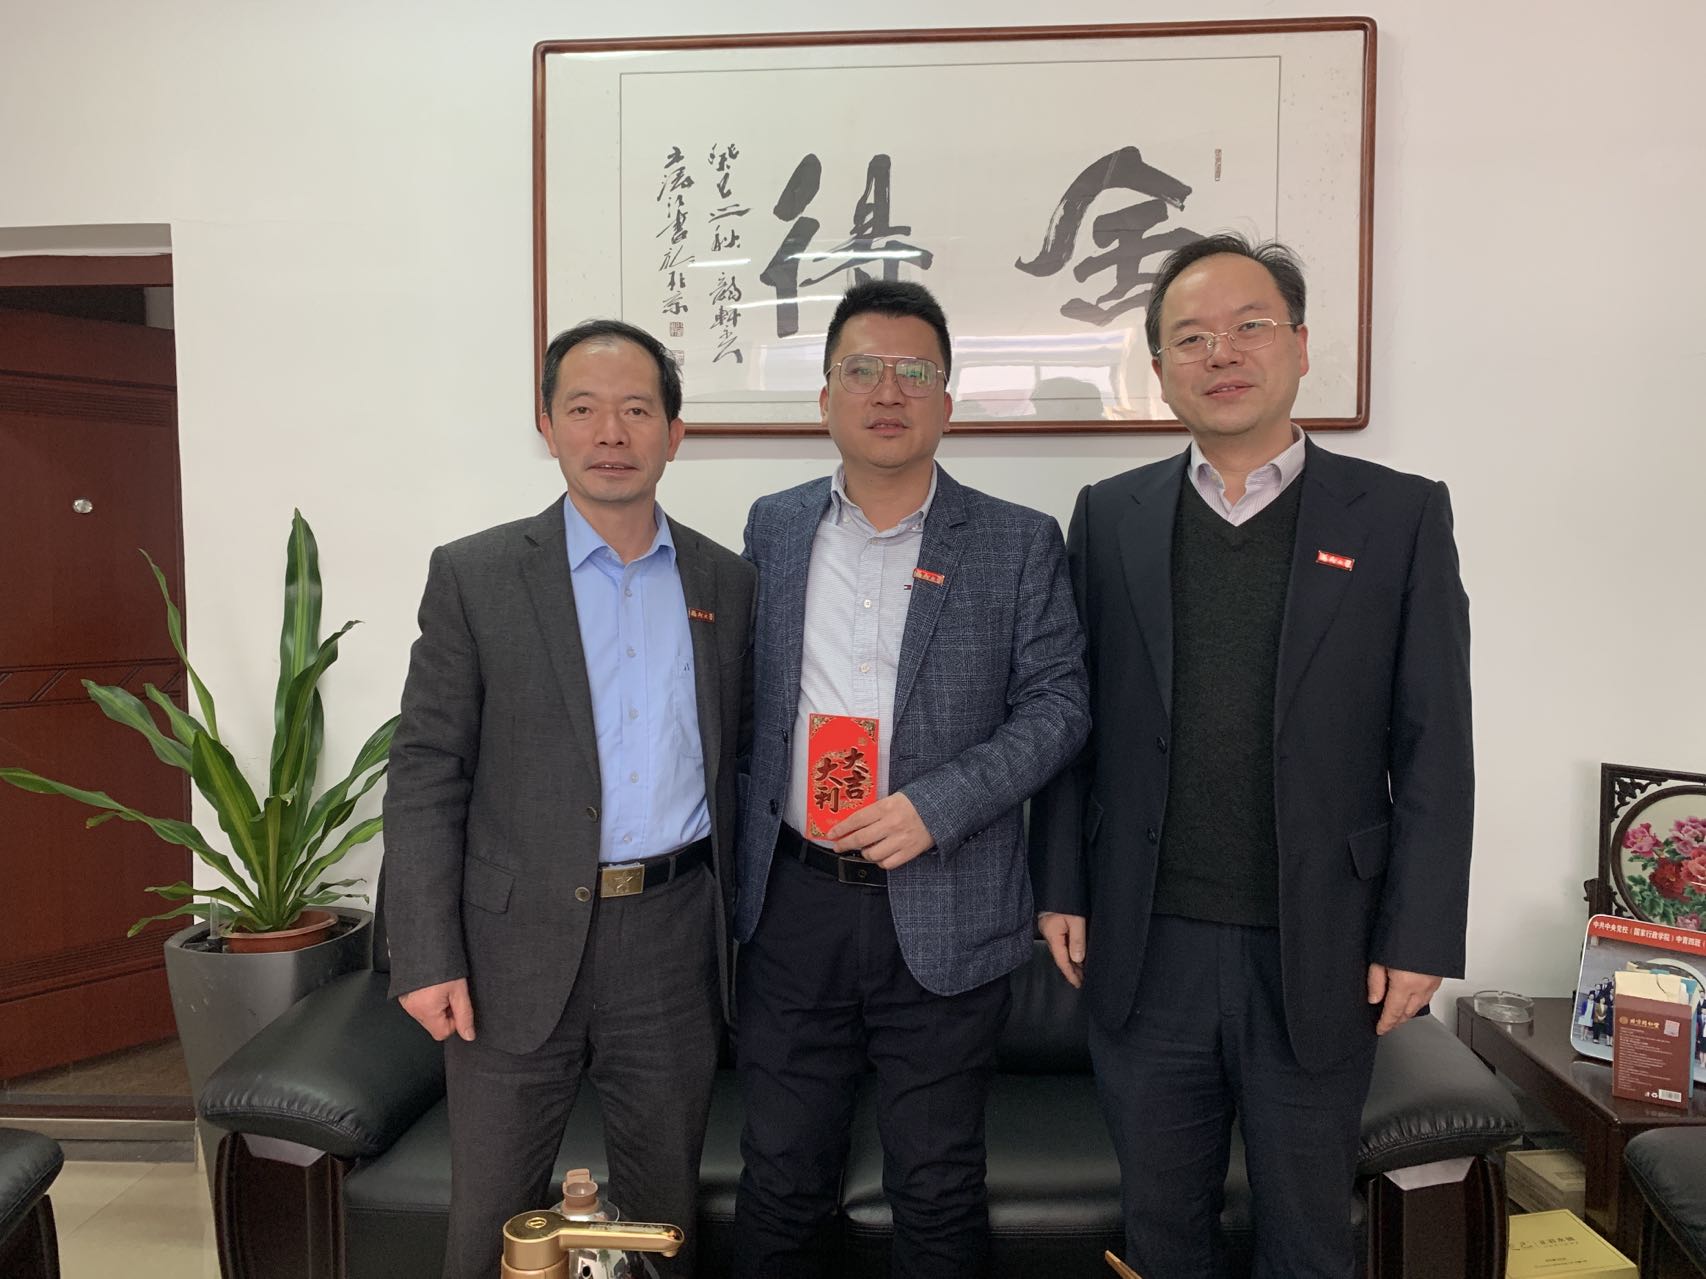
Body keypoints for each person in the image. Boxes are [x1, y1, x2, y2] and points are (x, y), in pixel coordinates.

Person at [1029, 233, 1474, 1278]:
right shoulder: (1109, 515)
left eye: (1249, 326)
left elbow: (1435, 742)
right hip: (1148, 944)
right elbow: (1070, 720)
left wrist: (1418, 932)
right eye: (1190, 337)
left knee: (1308, 1239)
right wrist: (1060, 885)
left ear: (1300, 347)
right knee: (1160, 1232)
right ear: (1159, 368)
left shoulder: (1399, 514)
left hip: (1319, 945)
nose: (1220, 353)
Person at [382, 319, 755, 1279]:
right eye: (583, 409)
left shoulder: (726, 580)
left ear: (675, 432)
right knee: (494, 1217)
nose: (610, 432)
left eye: (637, 410)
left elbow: (745, 759)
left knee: (661, 1220)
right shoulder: (476, 575)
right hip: (509, 948)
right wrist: (424, 952)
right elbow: (425, 768)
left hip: (671, 939)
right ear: (547, 426)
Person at [732, 279, 1089, 1278]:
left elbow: (1060, 705)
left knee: (935, 1184)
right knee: (780, 1177)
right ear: (824, 398)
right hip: (792, 899)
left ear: (947, 400)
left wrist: (939, 805)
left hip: (947, 899)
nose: (887, 391)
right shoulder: (774, 527)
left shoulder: (1017, 540)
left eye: (913, 372)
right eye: (861, 369)